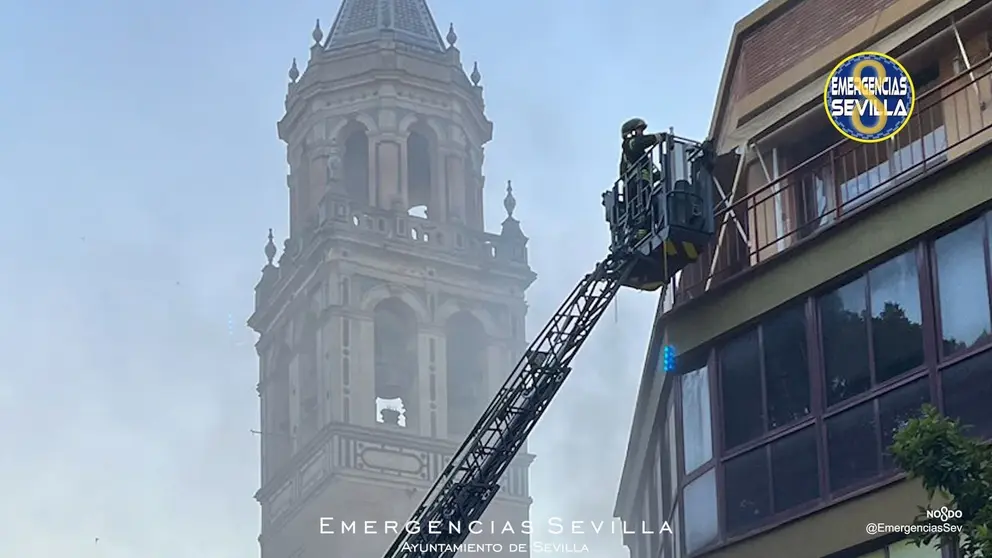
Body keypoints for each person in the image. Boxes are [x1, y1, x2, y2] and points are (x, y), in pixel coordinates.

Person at [620, 118, 665, 238]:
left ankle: (645, 230)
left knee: (648, 207)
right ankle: (640, 232)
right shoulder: (629, 144)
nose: (642, 133)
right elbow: (640, 143)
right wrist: (659, 137)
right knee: (641, 212)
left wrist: (661, 175)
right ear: (631, 133)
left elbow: (649, 174)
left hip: (641, 186)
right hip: (635, 186)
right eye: (639, 130)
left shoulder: (641, 157)